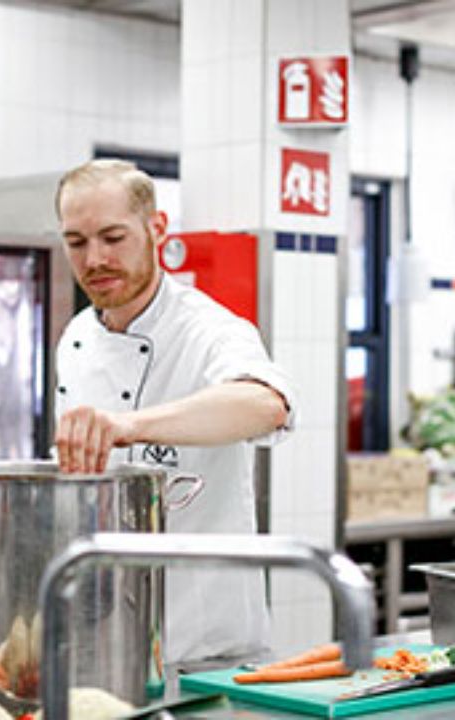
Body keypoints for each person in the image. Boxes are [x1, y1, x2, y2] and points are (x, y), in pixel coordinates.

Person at [52, 159, 296, 665]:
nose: (94, 259)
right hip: (108, 635)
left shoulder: (210, 329)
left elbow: (266, 404)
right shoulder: (75, 338)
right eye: (76, 242)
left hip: (206, 641)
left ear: (156, 229)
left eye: (113, 237)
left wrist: (130, 426)